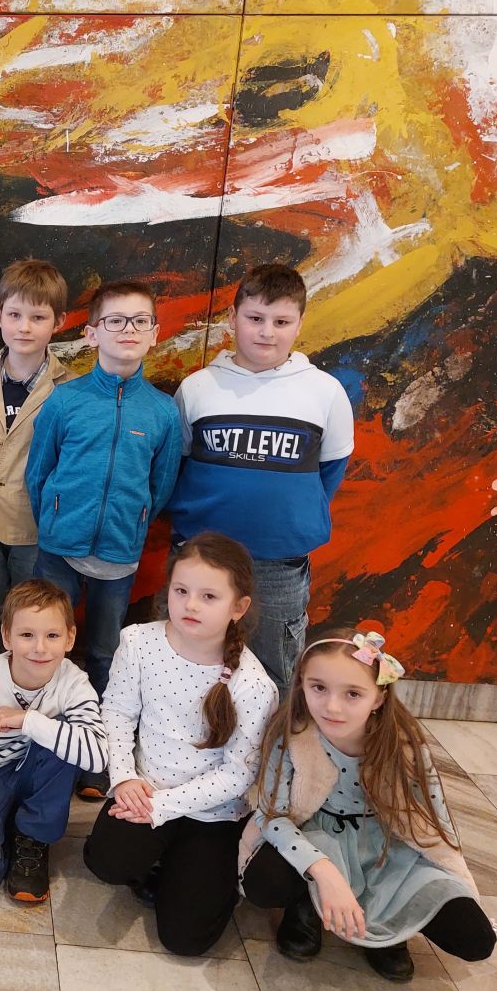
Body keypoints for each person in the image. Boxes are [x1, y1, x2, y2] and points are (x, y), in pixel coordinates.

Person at [241, 627, 496, 982]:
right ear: (301, 685)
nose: (332, 706)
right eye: (319, 687)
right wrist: (323, 871)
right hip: (315, 835)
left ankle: (391, 925)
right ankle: (306, 905)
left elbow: (434, 819)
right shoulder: (292, 736)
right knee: (264, 881)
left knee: (476, 939)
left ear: (378, 698)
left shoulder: (405, 746)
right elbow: (273, 815)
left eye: (353, 694)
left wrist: (455, 874)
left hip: (383, 845)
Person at [83, 532, 277, 956]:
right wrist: (124, 778)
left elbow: (238, 773)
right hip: (145, 791)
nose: (190, 605)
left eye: (209, 596)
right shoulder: (139, 642)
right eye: (181, 591)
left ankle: (207, 873)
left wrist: (161, 807)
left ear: (238, 607)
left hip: (212, 814)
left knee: (186, 940)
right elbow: (116, 712)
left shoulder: (253, 685)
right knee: (106, 860)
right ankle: (158, 862)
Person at [26, 278, 181, 797]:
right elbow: (39, 472)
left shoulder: (162, 411)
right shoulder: (65, 401)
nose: (127, 330)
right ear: (92, 333)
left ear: (154, 333)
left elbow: (161, 485)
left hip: (119, 551)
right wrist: (57, 519)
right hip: (59, 549)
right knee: (47, 644)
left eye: (139, 321)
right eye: (115, 320)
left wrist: (131, 521)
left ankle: (97, 753)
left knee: (104, 652)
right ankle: (45, 749)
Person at [168, 264, 355, 692]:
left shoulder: (324, 392)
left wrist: (285, 516)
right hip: (201, 555)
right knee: (188, 663)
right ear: (233, 318)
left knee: (273, 672)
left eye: (281, 322)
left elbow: (330, 471)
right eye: (255, 318)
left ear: (299, 324)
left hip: (279, 564)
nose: (267, 332)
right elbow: (177, 464)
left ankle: (268, 737)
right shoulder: (198, 388)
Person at [0, 579, 106, 902]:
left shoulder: (74, 682)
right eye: (27, 635)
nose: (39, 648)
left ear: (70, 638)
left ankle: (32, 835)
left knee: (65, 734)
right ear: (7, 637)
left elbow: (97, 756)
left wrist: (29, 721)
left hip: (40, 771)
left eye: (52, 635)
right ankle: (5, 823)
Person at [0, 258, 78, 660]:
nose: (24, 327)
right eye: (14, 315)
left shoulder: (69, 388)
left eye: (37, 317)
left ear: (59, 322)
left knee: (31, 618)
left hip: (32, 523)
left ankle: (27, 684)